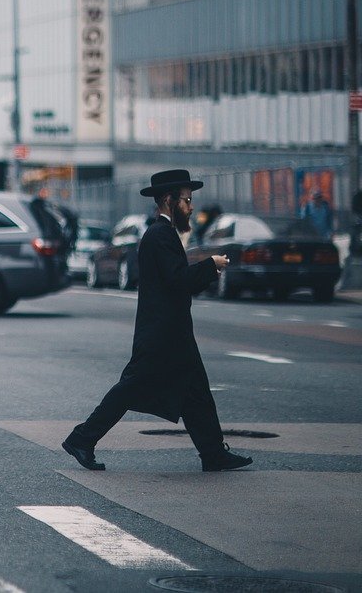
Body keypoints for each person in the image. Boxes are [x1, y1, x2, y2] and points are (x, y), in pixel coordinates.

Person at [63, 169, 252, 473]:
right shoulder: (160, 234)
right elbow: (178, 280)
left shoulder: (163, 233)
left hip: (170, 332)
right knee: (130, 388)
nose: (191, 207)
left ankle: (213, 453)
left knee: (196, 393)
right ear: (169, 200)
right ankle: (82, 438)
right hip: (162, 335)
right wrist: (210, 265)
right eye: (186, 201)